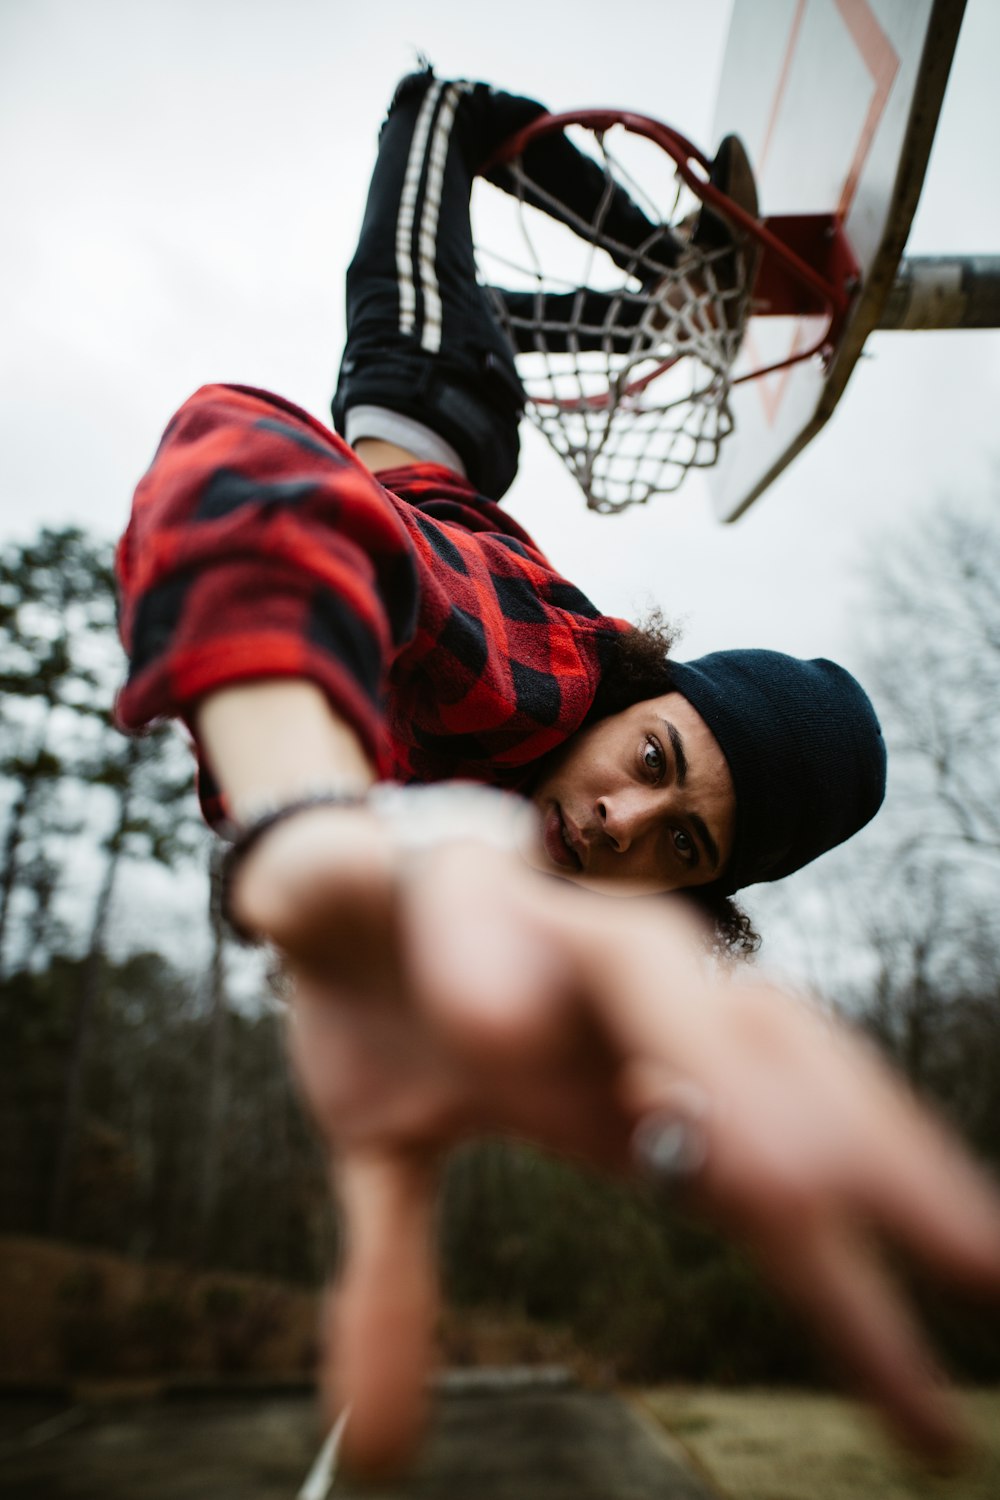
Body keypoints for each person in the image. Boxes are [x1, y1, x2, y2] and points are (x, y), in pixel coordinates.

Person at [114, 69, 1000, 1475]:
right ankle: (673, 267)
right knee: (438, 111)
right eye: (658, 760)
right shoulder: (544, 672)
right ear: (639, 697)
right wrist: (299, 823)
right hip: (425, 403)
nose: (620, 820)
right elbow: (245, 458)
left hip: (470, 460)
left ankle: (674, 299)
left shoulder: (534, 889)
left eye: (683, 845)